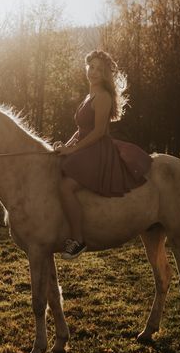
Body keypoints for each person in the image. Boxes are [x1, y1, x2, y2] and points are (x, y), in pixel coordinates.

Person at [53, 50, 151, 258]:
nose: (94, 72)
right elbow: (81, 130)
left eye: (99, 69)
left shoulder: (104, 97)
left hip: (98, 150)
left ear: (105, 74)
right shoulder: (90, 96)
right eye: (91, 67)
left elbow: (98, 132)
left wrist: (72, 150)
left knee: (65, 187)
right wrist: (66, 145)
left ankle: (78, 241)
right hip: (86, 147)